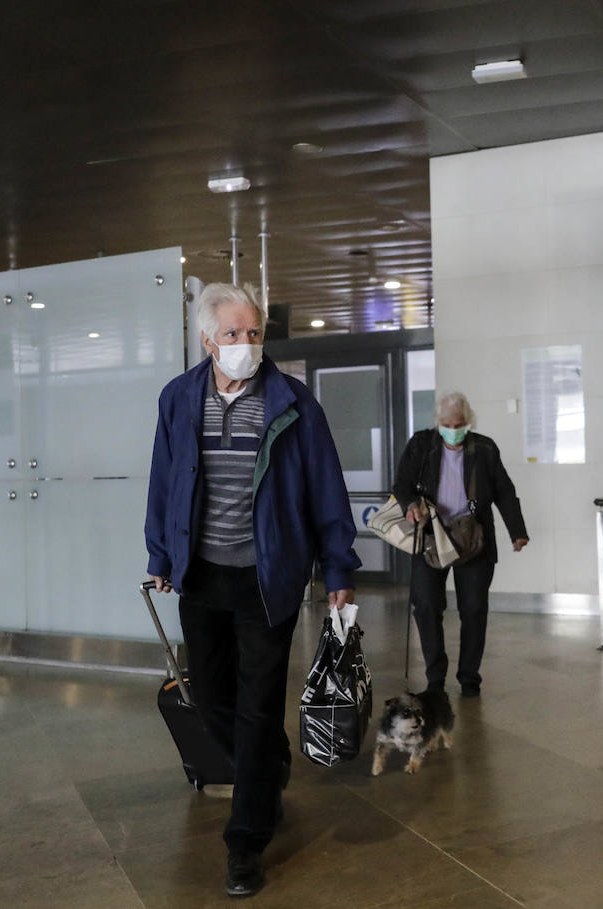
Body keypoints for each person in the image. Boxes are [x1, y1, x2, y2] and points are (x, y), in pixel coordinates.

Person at [144, 283, 360, 898]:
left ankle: (245, 841)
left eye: (255, 333)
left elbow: (325, 486)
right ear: (209, 339)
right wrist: (161, 553)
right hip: (201, 576)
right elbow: (164, 481)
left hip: (269, 577)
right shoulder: (179, 398)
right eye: (234, 334)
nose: (247, 345)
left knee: (259, 705)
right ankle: (268, 768)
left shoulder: (293, 401)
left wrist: (339, 568)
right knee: (212, 701)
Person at [393, 392, 528, 697]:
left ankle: (469, 678)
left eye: (460, 424)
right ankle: (435, 679)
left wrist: (516, 530)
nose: (453, 430)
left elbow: (504, 491)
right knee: (426, 606)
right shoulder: (421, 444)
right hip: (431, 536)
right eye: (447, 424)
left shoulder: (484, 448)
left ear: (469, 422)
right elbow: (401, 484)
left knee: (474, 609)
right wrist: (410, 504)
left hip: (474, 537)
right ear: (437, 423)